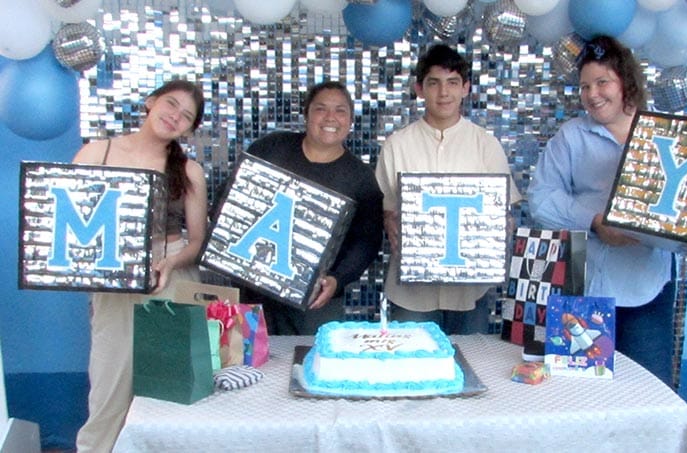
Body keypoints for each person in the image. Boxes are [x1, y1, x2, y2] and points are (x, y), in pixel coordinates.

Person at [527, 35, 687, 386]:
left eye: (602, 82)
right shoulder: (571, 136)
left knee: (649, 392)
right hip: (582, 289)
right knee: (579, 392)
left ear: (626, 82)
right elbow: (540, 198)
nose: (592, 94)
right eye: (585, 86)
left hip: (647, 288)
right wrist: (595, 222)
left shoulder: (672, 134)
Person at [72, 79, 207, 452]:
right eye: (171, 104)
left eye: (186, 116)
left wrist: (170, 262)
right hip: (114, 278)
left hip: (173, 276)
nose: (175, 116)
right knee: (109, 387)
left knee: (173, 391)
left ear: (189, 129)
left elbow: (197, 241)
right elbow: (69, 222)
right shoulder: (96, 153)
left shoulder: (189, 170)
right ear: (151, 102)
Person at [375, 44, 523, 335]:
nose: (444, 92)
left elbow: (503, 212)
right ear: (419, 89)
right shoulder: (397, 145)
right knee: (414, 361)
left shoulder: (486, 144)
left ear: (465, 88)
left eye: (453, 82)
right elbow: (386, 208)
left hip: (470, 290)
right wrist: (388, 220)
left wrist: (502, 226)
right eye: (434, 83)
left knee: (470, 359)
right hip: (411, 292)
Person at [238, 80, 384, 335]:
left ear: (350, 120)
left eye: (340, 110)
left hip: (315, 298)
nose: (330, 117)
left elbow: (366, 242)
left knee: (310, 357)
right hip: (255, 288)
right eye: (320, 108)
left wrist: (337, 280)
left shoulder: (361, 177)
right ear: (306, 114)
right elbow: (233, 199)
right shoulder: (271, 147)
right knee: (248, 355)